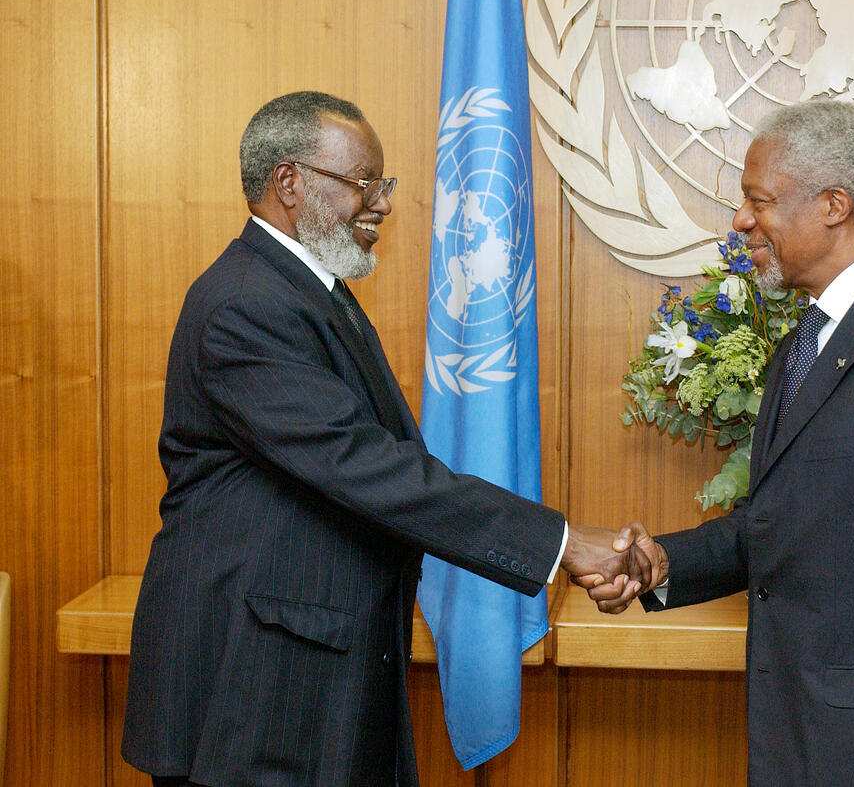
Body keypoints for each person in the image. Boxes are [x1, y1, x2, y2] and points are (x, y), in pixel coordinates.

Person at [121, 91, 646, 787]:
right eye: (364, 183)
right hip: (251, 692)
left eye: (383, 183)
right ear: (289, 182)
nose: (384, 204)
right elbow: (366, 467)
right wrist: (562, 543)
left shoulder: (311, 290)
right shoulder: (247, 304)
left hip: (307, 675)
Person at [582, 100, 854, 787]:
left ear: (833, 206)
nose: (741, 221)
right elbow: (778, 522)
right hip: (799, 739)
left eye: (758, 201)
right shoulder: (803, 345)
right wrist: (662, 563)